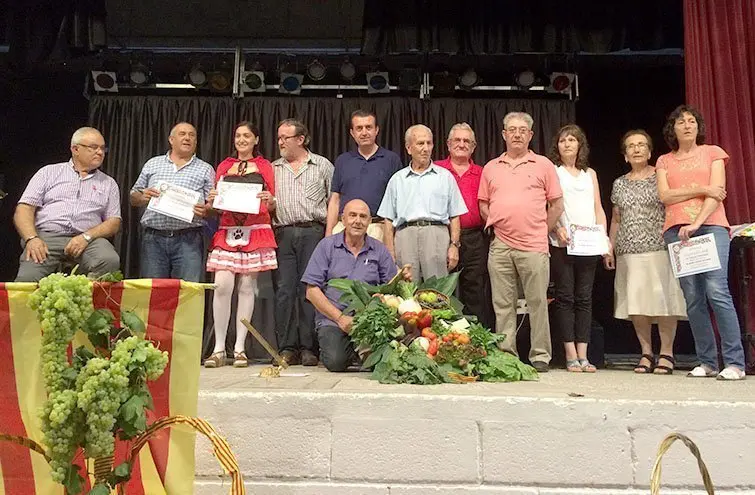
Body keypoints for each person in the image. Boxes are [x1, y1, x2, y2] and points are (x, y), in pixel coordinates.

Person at [656, 105, 746, 380]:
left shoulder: (713, 153)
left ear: (698, 127)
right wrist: (701, 188)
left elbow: (717, 193)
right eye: (681, 122)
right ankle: (707, 361)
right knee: (693, 298)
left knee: (716, 291)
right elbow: (665, 196)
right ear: (672, 129)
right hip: (675, 230)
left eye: (691, 121)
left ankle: (735, 363)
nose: (687, 125)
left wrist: (696, 222)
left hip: (711, 226)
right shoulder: (664, 160)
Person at [478, 112, 564, 373]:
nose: (516, 134)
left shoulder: (543, 165)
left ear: (530, 135)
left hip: (534, 245)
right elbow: (483, 203)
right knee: (503, 304)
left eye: (522, 130)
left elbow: (557, 204)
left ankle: (540, 355)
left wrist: (540, 230)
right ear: (504, 135)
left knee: (538, 302)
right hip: (501, 245)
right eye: (511, 130)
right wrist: (496, 220)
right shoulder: (491, 167)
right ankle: (506, 353)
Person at [604, 130, 686, 375]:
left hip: (660, 247)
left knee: (664, 301)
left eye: (641, 145)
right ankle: (646, 353)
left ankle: (667, 353)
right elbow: (616, 219)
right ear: (625, 155)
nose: (637, 149)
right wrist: (610, 246)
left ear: (650, 152)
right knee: (637, 304)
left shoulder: (661, 177)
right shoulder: (619, 183)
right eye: (631, 146)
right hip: (629, 251)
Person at [203, 122, 278, 369]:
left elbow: (272, 204)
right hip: (227, 230)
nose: (242, 139)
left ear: (256, 139)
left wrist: (270, 200)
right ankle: (218, 348)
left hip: (255, 230)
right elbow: (215, 207)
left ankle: (240, 349)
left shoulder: (265, 166)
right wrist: (212, 200)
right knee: (222, 285)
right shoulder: (224, 166)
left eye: (247, 135)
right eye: (238, 135)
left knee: (247, 286)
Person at [303, 199, 407, 371]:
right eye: (352, 215)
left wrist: (400, 279)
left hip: (368, 320)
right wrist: (340, 318)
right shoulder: (327, 246)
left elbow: (391, 286)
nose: (357, 221)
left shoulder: (379, 249)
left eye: (363, 217)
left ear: (369, 222)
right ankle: (351, 350)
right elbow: (312, 291)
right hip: (333, 320)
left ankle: (360, 351)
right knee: (336, 362)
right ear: (343, 219)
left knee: (379, 364)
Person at [14, 127, 121, 282]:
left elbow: (114, 222)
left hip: (88, 239)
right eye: (93, 147)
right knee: (27, 279)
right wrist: (32, 238)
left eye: (103, 148)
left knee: (109, 260)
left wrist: (86, 237)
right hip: (47, 237)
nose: (100, 152)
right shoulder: (48, 172)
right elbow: (24, 209)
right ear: (75, 149)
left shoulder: (109, 183)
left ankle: (84, 300)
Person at [272, 118, 334, 366]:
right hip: (283, 234)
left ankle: (310, 348)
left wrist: (329, 235)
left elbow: (333, 202)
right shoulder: (273, 168)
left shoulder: (322, 166)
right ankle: (287, 347)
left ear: (301, 139)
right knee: (285, 291)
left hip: (313, 233)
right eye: (278, 138)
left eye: (285, 138)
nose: (280, 143)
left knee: (310, 290)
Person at [547, 124, 607, 373]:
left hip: (588, 243)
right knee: (565, 298)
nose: (567, 144)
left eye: (572, 140)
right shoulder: (553, 171)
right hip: (562, 243)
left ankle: (584, 354)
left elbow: (598, 208)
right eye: (563, 141)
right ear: (557, 146)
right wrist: (555, 228)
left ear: (580, 145)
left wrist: (605, 241)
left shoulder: (589, 174)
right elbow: (548, 203)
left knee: (584, 298)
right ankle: (570, 353)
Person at [378, 124, 467, 282]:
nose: (426, 148)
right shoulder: (397, 180)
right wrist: (389, 250)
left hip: (436, 235)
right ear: (409, 148)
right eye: (420, 143)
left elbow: (455, 216)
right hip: (405, 236)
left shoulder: (445, 177)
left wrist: (454, 246)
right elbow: (388, 219)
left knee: (437, 291)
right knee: (407, 291)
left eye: (429, 143)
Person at [129, 122, 214, 282]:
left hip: (189, 240)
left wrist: (207, 210)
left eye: (192, 135)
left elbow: (213, 206)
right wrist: (142, 196)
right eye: (182, 134)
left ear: (196, 142)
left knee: (188, 293)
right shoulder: (152, 163)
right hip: (154, 239)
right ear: (171, 139)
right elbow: (133, 196)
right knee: (154, 293)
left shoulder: (206, 169)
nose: (187, 138)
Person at [435, 123, 494, 329]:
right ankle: (443, 336)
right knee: (443, 290)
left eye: (466, 141)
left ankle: (476, 338)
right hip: (443, 236)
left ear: (474, 146)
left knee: (474, 289)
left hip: (475, 237)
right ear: (448, 144)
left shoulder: (483, 173)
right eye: (457, 140)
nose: (461, 144)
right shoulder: (436, 170)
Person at [325, 109, 403, 242]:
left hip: (378, 228)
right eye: (359, 128)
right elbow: (335, 200)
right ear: (352, 133)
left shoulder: (391, 160)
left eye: (369, 127)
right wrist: (328, 234)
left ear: (376, 130)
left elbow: (399, 199)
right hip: (344, 228)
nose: (364, 132)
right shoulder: (342, 161)